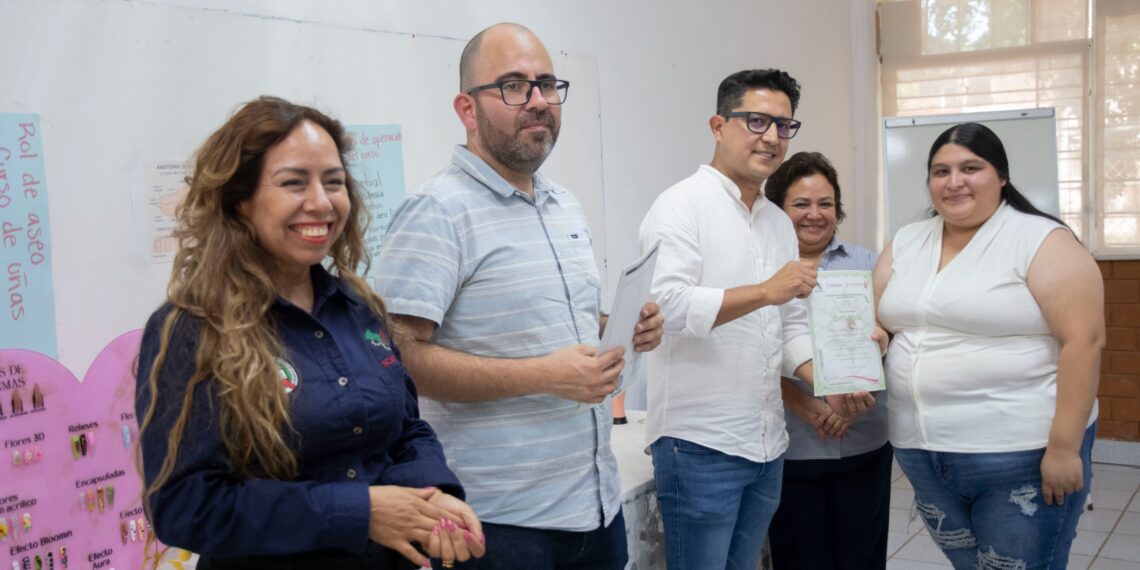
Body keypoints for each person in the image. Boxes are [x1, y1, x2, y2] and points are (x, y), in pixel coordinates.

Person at [136, 96, 485, 570]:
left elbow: (407, 429)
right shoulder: (193, 329)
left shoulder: (359, 308)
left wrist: (432, 498)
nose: (321, 202)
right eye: (293, 183)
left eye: (334, 182)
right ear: (241, 200)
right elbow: (185, 506)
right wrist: (360, 513)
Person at [374, 23, 664, 570]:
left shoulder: (563, 206)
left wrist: (621, 326)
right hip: (498, 525)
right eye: (513, 86)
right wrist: (543, 376)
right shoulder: (437, 211)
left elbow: (556, 325)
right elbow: (397, 358)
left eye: (547, 84)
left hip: (595, 508)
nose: (537, 101)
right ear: (467, 108)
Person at [638, 69, 875, 569]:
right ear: (718, 125)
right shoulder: (680, 206)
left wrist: (827, 383)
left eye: (784, 126)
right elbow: (667, 308)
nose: (771, 136)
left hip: (768, 443)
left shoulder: (773, 220)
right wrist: (766, 291)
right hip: (699, 443)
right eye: (756, 121)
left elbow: (789, 324)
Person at [874, 122, 1103, 569]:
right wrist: (869, 338)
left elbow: (1084, 342)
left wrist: (1063, 447)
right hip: (922, 449)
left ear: (1001, 176)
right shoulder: (908, 240)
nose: (953, 181)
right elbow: (877, 318)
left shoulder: (1041, 240)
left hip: (1019, 451)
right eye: (940, 171)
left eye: (970, 168)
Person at [763, 151, 892, 569]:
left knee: (861, 558)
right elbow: (750, 350)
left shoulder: (869, 265)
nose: (814, 215)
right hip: (789, 447)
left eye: (826, 204)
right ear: (779, 209)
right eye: (801, 204)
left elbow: (893, 345)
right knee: (799, 559)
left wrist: (851, 405)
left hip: (862, 442)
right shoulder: (760, 270)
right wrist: (801, 402)